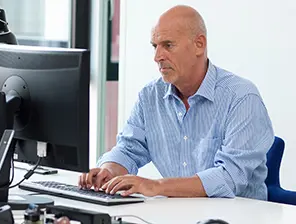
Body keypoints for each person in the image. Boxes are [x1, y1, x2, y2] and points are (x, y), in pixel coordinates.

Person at [78, 5, 274, 200]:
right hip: (177, 214)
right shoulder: (150, 96)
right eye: (155, 47)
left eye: (168, 45)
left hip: (237, 216)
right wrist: (109, 171)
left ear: (199, 44)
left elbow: (230, 177)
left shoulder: (241, 97)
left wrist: (156, 186)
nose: (157, 57)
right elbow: (128, 148)